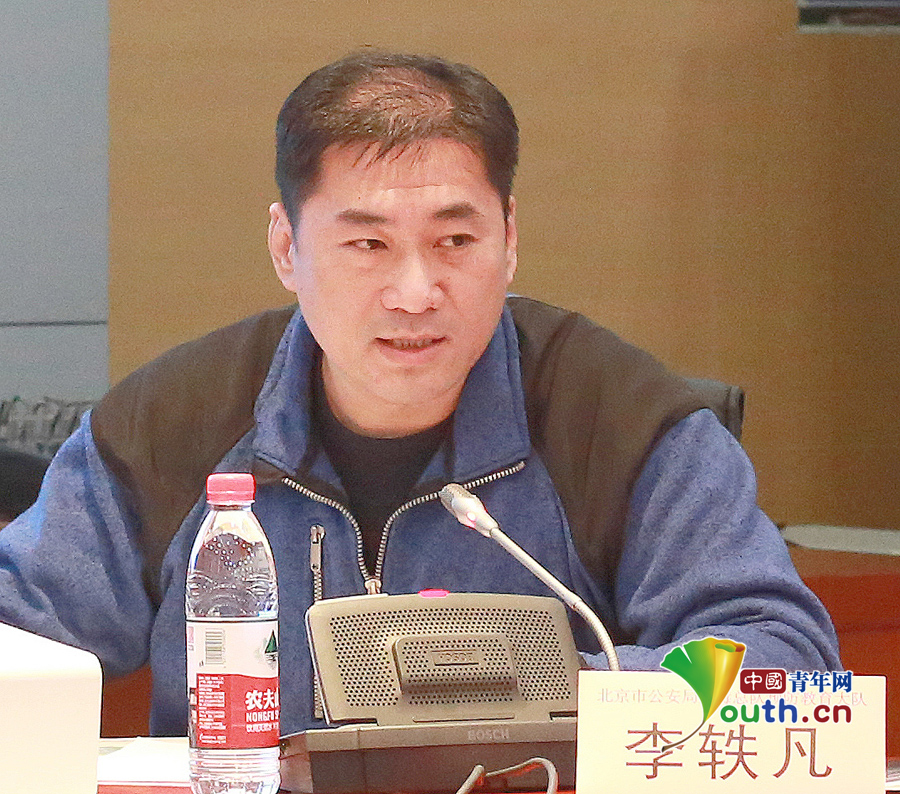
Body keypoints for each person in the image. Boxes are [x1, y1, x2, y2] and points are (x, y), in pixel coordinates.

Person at [0, 51, 840, 737]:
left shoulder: (621, 423)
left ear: (509, 239)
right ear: (287, 248)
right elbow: (19, 634)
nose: (415, 292)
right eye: (367, 244)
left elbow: (781, 662)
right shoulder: (171, 424)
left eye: (456, 240)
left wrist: (554, 692)